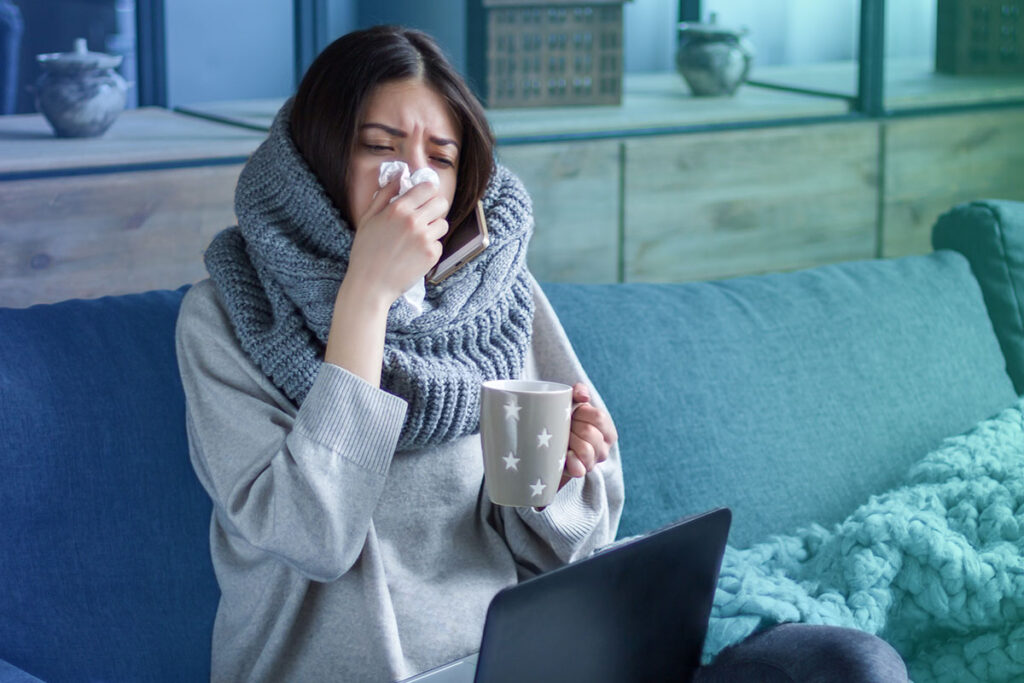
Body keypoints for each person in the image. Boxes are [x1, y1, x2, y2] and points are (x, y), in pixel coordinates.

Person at [176, 25, 907, 683]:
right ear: (318, 153)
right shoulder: (230, 311)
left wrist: (550, 485)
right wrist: (365, 297)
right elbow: (311, 535)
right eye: (380, 146)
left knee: (847, 663)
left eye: (441, 156)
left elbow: (578, 543)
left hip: (516, 662)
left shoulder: (490, 294)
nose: (414, 179)